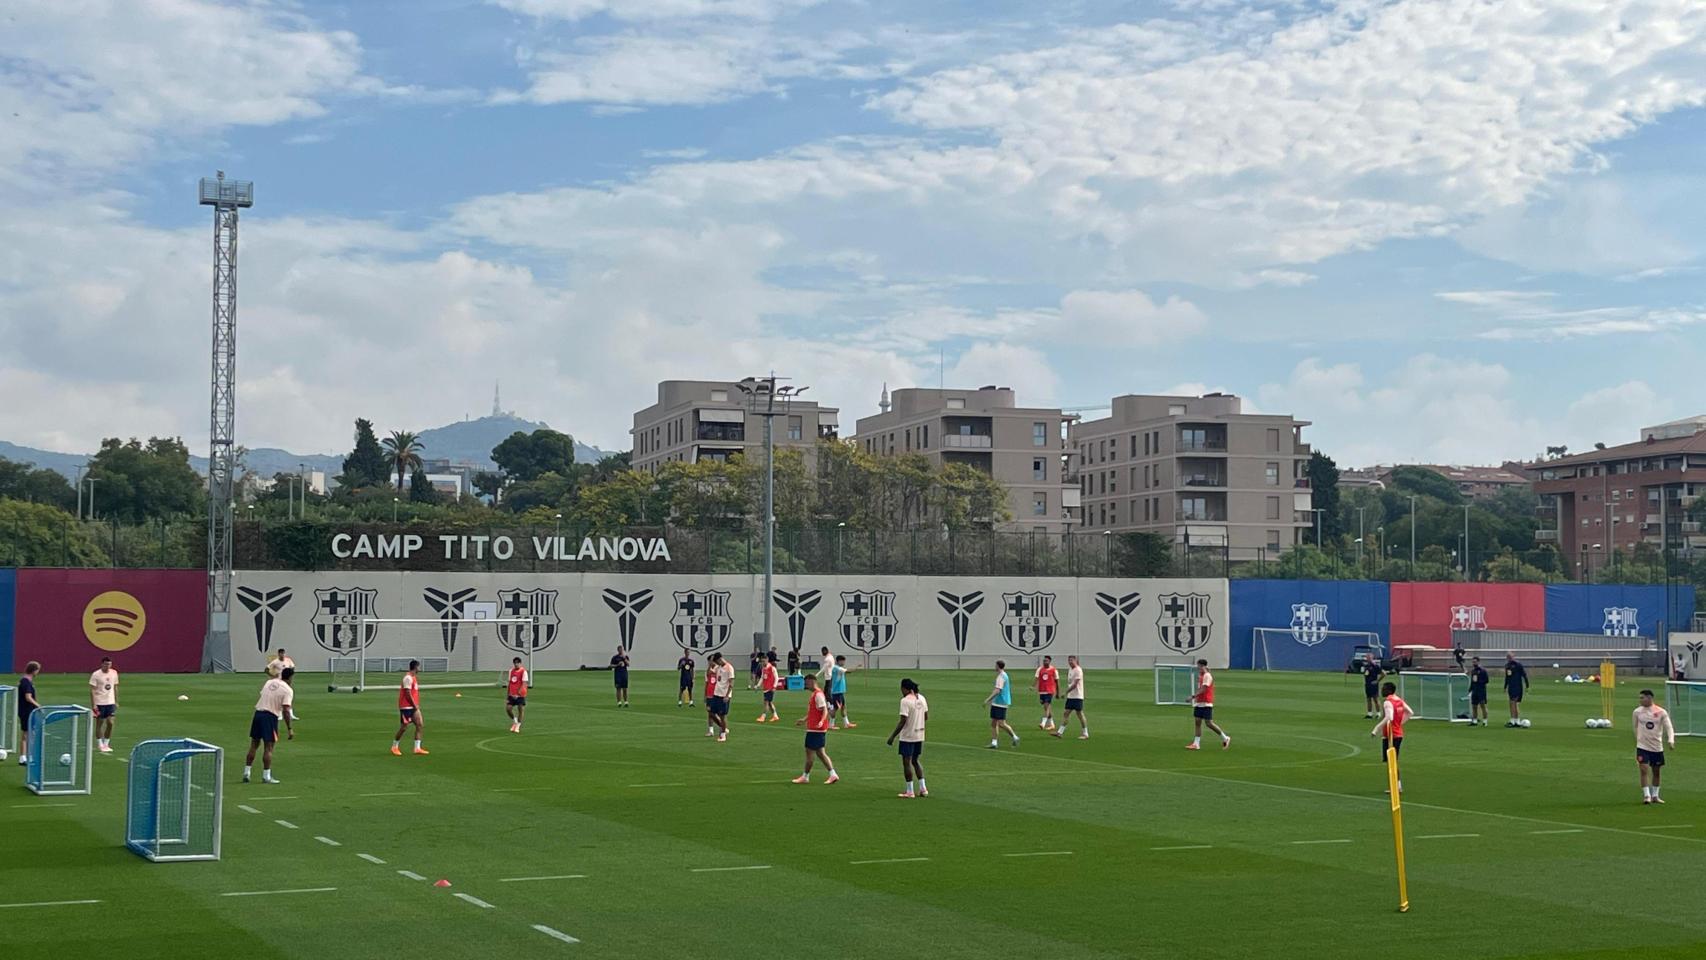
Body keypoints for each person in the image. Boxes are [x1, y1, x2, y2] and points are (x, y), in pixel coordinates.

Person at [244, 667, 295, 783]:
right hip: (270, 717)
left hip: (258, 714)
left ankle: (246, 772)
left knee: (254, 745)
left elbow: (263, 694)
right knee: (269, 747)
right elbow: (286, 710)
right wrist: (289, 728)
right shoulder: (288, 690)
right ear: (291, 677)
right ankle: (266, 775)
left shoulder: (269, 682)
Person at [791, 675, 839, 784]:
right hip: (816, 728)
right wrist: (804, 720)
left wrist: (821, 721)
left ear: (813, 682)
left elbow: (824, 710)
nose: (806, 685)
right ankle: (832, 774)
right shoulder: (816, 694)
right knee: (820, 753)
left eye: (807, 683)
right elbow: (814, 711)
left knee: (810, 753)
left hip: (816, 729)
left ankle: (805, 776)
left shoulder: (818, 695)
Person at [886, 678, 929, 798]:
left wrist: (892, 736)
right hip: (920, 734)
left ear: (905, 688)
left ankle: (910, 791)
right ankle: (923, 788)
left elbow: (903, 721)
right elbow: (926, 716)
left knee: (906, 762)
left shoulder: (905, 701)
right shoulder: (921, 698)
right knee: (915, 760)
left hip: (908, 736)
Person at [1634, 688, 1677, 805]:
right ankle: (1646, 796)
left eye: (1642, 697)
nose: (1640, 700)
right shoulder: (1637, 712)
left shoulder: (1661, 712)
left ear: (1649, 698)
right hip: (1642, 746)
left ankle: (1655, 796)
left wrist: (1670, 740)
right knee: (1643, 769)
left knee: (1656, 771)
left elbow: (1669, 727)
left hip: (1657, 747)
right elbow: (1635, 727)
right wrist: (1638, 740)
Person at [1369, 680, 1411, 794]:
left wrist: (1376, 729)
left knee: (1391, 761)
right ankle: (1397, 785)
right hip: (1398, 733)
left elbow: (1389, 717)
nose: (1381, 691)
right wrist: (1400, 723)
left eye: (1383, 689)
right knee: (1393, 760)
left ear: (1388, 690)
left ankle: (1396, 786)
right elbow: (1410, 713)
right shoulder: (1398, 700)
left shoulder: (1388, 702)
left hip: (1391, 735)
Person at [1186, 658, 1230, 751]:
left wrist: (1193, 696)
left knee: (1209, 723)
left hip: (1206, 703)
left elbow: (1204, 689)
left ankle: (1225, 737)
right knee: (1197, 722)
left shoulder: (1207, 676)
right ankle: (1196, 743)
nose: (1198, 668)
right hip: (1199, 702)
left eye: (1199, 666)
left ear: (1202, 666)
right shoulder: (1201, 675)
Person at [392, 660, 427, 755]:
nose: (420, 669)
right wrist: (414, 704)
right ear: (415, 667)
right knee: (404, 727)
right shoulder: (408, 678)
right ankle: (394, 746)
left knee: (419, 724)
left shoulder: (413, 677)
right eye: (419, 667)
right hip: (406, 707)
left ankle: (417, 748)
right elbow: (407, 693)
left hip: (413, 706)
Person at [1051, 655, 1088, 740]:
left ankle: (1085, 733)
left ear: (1076, 660)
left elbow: (1075, 684)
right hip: (1071, 696)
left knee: (1080, 714)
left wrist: (1065, 692)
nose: (1070, 662)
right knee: (1066, 713)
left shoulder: (1078, 670)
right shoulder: (1071, 669)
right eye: (1069, 660)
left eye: (1072, 660)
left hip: (1077, 696)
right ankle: (1060, 732)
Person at [983, 660, 1019, 749]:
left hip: (1001, 702)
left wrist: (988, 699)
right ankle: (994, 742)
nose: (994, 667)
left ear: (998, 666)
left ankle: (1015, 737)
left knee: (1001, 723)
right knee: (994, 722)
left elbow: (997, 690)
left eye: (995, 665)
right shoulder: (1003, 675)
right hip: (997, 702)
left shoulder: (1001, 677)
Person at [89, 656, 118, 754]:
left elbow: (115, 687)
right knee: (100, 723)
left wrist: (116, 701)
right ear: (102, 664)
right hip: (100, 702)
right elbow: (92, 690)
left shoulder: (114, 673)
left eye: (109, 664)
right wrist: (94, 704)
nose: (107, 666)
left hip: (110, 702)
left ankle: (106, 743)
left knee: (110, 723)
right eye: (106, 664)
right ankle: (100, 744)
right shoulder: (96, 674)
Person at [15, 661, 40, 766]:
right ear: (34, 670)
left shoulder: (23, 681)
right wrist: (38, 705)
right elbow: (28, 697)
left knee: (28, 734)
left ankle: (25, 756)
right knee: (28, 734)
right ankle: (26, 757)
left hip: (25, 710)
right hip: (27, 711)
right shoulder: (26, 682)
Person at [708, 652, 735, 742]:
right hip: (716, 693)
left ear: (720, 659)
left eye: (716, 661)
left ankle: (723, 735)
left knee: (722, 715)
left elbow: (731, 683)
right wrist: (711, 662)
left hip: (724, 695)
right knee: (711, 713)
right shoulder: (718, 667)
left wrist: (727, 695)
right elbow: (709, 673)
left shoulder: (729, 668)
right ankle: (723, 727)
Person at [828, 655, 857, 729]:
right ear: (838, 661)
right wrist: (857, 667)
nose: (843, 662)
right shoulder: (837, 668)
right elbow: (848, 671)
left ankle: (846, 723)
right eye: (842, 661)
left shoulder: (838, 668)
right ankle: (831, 724)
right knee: (835, 708)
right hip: (837, 692)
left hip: (840, 691)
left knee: (843, 707)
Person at [1503, 652, 1529, 727]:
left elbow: (1524, 675)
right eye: (1508, 657)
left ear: (1514, 657)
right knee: (1512, 704)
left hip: (1517, 687)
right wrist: (1505, 687)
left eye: (1511, 656)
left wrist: (1527, 685)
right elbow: (1507, 677)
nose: (1509, 658)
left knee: (1513, 703)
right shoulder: (1507, 666)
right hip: (1511, 687)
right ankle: (1515, 720)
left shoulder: (1518, 665)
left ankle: (1514, 720)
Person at [1034, 655, 1060, 731]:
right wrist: (1033, 686)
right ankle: (1052, 724)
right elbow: (1036, 678)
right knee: (1047, 707)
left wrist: (1058, 692)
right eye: (1044, 661)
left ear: (1049, 661)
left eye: (1046, 661)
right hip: (1042, 691)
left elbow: (1057, 681)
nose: (1045, 662)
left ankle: (1043, 723)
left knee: (1046, 705)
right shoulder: (1040, 669)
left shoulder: (1054, 670)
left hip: (1050, 690)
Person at [506, 657, 530, 733]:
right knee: (508, 708)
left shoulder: (524, 671)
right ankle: (515, 721)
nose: (516, 664)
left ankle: (518, 726)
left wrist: (518, 694)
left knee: (520, 709)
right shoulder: (511, 671)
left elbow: (524, 684)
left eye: (517, 663)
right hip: (511, 694)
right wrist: (508, 695)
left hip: (520, 695)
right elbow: (510, 683)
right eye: (515, 663)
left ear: (520, 663)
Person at [756, 655, 781, 723]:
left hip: (770, 688)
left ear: (767, 660)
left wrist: (774, 687)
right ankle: (775, 716)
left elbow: (776, 678)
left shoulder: (772, 668)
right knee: (769, 703)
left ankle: (763, 716)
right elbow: (762, 677)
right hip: (765, 688)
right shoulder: (763, 668)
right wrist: (758, 685)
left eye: (764, 661)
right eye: (762, 661)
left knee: (766, 702)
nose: (763, 663)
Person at [1360, 652, 1384, 719]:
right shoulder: (1366, 666)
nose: (1367, 659)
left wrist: (1377, 681)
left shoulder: (1375, 665)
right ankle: (1369, 714)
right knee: (1368, 699)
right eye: (1367, 657)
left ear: (1372, 658)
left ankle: (1378, 714)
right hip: (1367, 684)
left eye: (1369, 657)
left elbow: (1383, 673)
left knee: (1375, 699)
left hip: (1373, 685)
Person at [1467, 656, 1490, 726]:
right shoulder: (1473, 671)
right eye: (1473, 662)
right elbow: (1472, 681)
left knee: (1483, 705)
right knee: (1474, 706)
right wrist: (1470, 689)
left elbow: (1487, 680)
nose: (1474, 663)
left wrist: (1479, 682)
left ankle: (1485, 721)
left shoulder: (1482, 670)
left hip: (1481, 690)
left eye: (1475, 662)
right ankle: (1474, 721)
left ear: (1478, 662)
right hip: (1475, 690)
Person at [703, 656, 719, 737]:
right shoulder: (708, 671)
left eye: (711, 661)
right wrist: (705, 695)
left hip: (716, 694)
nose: (710, 663)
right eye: (709, 662)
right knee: (710, 713)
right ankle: (711, 730)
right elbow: (706, 683)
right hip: (709, 694)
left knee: (718, 712)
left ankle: (722, 727)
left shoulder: (718, 670)